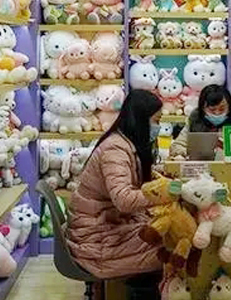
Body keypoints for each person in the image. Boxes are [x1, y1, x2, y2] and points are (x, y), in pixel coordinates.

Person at [65, 89, 163, 297]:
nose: (158, 127)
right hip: (97, 239)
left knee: (163, 234)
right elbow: (124, 199)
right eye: (156, 121)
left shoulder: (124, 143)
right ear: (141, 120)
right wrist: (163, 194)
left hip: (103, 227)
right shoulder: (115, 149)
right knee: (168, 246)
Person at [169, 84, 231, 159]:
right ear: (203, 109)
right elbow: (177, 145)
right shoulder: (195, 119)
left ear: (229, 107)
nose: (217, 113)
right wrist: (184, 154)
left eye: (222, 109)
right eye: (212, 110)